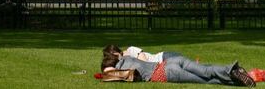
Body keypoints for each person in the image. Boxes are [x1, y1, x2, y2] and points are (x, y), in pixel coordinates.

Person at [101, 50, 256, 87]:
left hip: (165, 73)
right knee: (205, 71)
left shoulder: (121, 70)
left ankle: (234, 76)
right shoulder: (127, 57)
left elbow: (108, 75)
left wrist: (105, 72)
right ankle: (234, 72)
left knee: (205, 80)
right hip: (169, 62)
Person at [103, 44, 180, 64]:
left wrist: (124, 58)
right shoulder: (120, 62)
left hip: (163, 57)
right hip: (162, 64)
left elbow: (144, 62)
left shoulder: (131, 49)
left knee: (188, 65)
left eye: (113, 55)